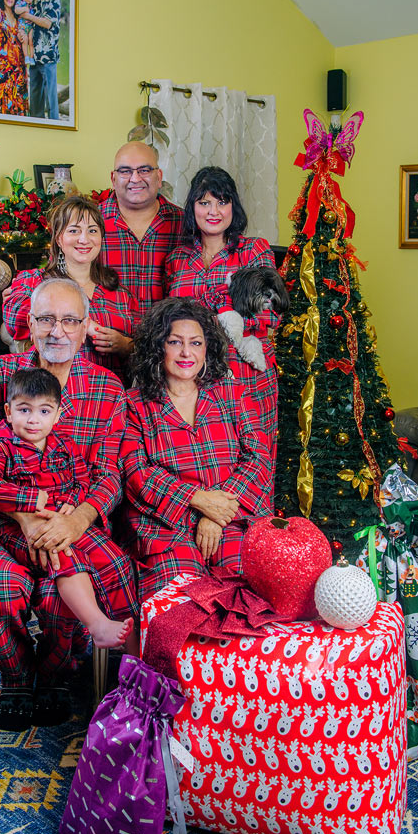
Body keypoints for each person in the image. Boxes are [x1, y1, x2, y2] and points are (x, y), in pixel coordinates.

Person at [0, 277, 134, 727]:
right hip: (2, 524)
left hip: (73, 525)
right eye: (47, 319)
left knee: (60, 595)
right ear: (29, 324)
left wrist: (77, 521)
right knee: (0, 589)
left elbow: (110, 473)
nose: (58, 330)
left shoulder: (108, 389)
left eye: (70, 320)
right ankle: (15, 679)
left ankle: (54, 676)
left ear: (86, 325)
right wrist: (24, 516)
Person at [121, 297, 273, 601]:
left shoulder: (232, 393)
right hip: (167, 529)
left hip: (234, 520)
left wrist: (216, 515)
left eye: (196, 342)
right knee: (180, 605)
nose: (186, 352)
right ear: (158, 347)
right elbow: (138, 473)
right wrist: (198, 500)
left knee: (248, 595)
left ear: (207, 348)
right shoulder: (134, 404)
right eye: (175, 342)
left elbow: (258, 457)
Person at [164, 165, 282, 457]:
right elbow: (168, 318)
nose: (213, 211)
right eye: (204, 202)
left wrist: (218, 321)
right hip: (194, 377)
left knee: (255, 458)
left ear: (233, 206)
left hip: (246, 372)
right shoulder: (177, 258)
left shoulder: (253, 251)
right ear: (192, 208)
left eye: (222, 201)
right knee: (206, 461)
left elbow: (271, 313)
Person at [3, 195, 139, 382]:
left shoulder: (120, 294)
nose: (84, 239)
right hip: (49, 394)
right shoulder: (34, 281)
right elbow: (15, 319)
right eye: (74, 231)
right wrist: (85, 324)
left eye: (92, 230)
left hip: (106, 397)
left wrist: (125, 345)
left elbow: (144, 347)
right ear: (59, 239)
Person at [99, 142, 183, 314]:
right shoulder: (90, 223)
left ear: (159, 177)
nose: (135, 179)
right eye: (125, 171)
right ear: (113, 179)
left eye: (144, 170)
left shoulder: (184, 223)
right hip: (105, 337)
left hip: (167, 336)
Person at [23, 0, 60, 119]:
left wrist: (28, 16)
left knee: (51, 102)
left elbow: (47, 22)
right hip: (34, 56)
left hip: (48, 56)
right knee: (35, 100)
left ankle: (56, 128)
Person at [14, 0, 36, 68]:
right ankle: (26, 56)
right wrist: (24, 9)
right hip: (22, 26)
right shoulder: (21, 2)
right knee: (25, 39)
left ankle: (31, 57)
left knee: (31, 40)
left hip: (30, 27)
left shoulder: (31, 5)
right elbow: (16, 10)